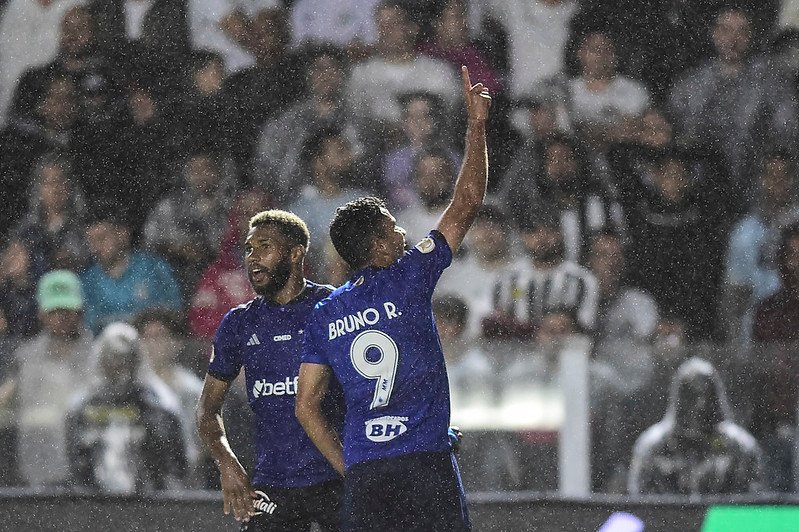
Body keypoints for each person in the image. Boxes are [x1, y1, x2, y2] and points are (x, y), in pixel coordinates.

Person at [296, 66, 490, 531]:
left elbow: (306, 406)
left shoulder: (325, 313)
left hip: (367, 473)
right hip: (424, 462)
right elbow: (466, 201)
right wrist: (477, 126)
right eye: (392, 227)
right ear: (379, 248)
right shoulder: (409, 277)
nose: (403, 232)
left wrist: (350, 466)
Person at [196, 209, 345, 528]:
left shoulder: (333, 307)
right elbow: (207, 410)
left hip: (338, 476)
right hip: (273, 484)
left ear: (295, 253)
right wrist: (227, 463)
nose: (253, 258)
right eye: (249, 249)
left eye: (265, 247)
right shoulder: (239, 323)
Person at [66, 322, 187, 493]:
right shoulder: (81, 408)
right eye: (112, 361)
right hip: (94, 502)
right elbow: (75, 466)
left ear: (135, 362)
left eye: (124, 361)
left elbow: (175, 467)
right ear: (102, 362)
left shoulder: (159, 407)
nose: (119, 369)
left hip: (148, 501)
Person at [628, 358, 764, 496]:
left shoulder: (740, 447)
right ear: (679, 398)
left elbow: (753, 499)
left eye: (707, 395)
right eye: (691, 395)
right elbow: (640, 500)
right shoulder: (653, 446)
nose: (700, 404)